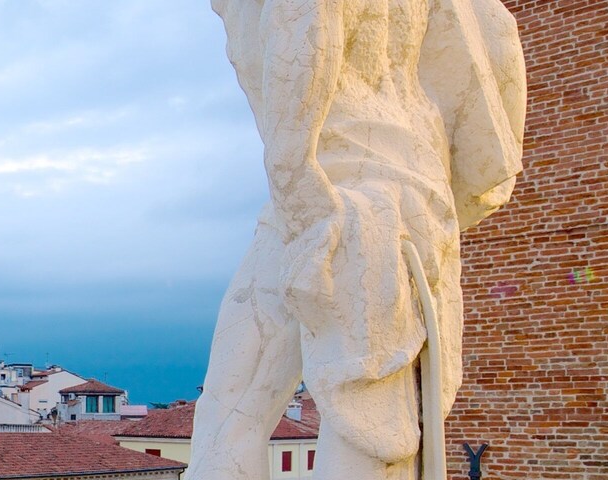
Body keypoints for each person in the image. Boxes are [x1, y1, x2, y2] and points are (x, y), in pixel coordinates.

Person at [190, 1, 525, 479]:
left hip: (331, 188)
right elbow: (498, 71)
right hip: (420, 190)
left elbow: (304, 31)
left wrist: (298, 187)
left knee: (244, 409)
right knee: (377, 413)